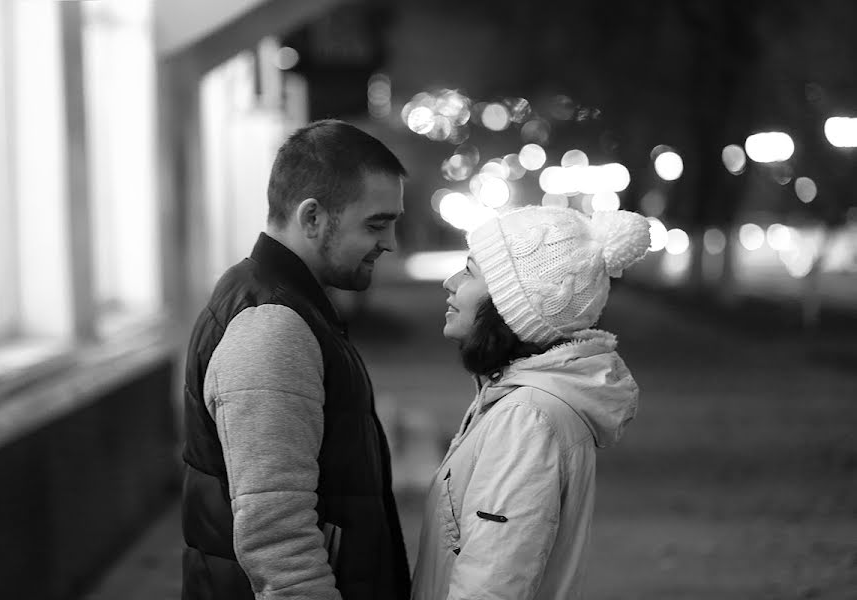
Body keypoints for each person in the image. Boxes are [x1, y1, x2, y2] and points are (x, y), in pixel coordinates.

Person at [181, 120, 411, 600]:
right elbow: (277, 536)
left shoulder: (284, 303)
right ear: (313, 219)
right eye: (376, 223)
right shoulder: (272, 325)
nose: (389, 242)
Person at [411, 206, 652, 600]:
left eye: (470, 272)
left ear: (510, 306)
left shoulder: (526, 418)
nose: (450, 283)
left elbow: (491, 584)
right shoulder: (518, 401)